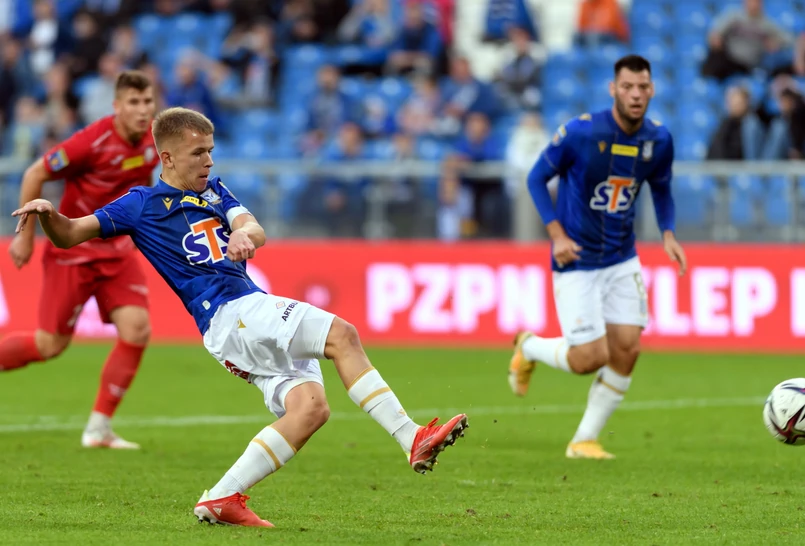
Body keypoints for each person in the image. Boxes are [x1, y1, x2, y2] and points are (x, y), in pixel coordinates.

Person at [12, 107, 469, 528]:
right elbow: (70, 234)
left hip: (241, 316)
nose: (208, 160)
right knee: (342, 335)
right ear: (167, 158)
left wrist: (244, 235)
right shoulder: (141, 204)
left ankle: (221, 497)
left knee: (310, 408)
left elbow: (253, 226)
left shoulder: (215, 190)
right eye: (198, 153)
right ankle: (411, 437)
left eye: (210, 150)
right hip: (229, 313)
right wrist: (48, 214)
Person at [508, 55, 687, 460]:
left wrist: (668, 233)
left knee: (627, 349)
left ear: (652, 90)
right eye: (628, 87)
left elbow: (661, 186)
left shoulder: (659, 140)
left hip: (622, 258)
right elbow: (536, 178)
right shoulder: (582, 132)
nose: (636, 94)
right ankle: (529, 347)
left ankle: (583, 440)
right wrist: (556, 234)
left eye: (643, 87)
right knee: (589, 358)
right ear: (613, 89)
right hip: (576, 258)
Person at [2, 70, 158, 450]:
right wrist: (25, 236)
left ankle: (99, 429)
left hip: (117, 252)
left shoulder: (154, 141)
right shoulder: (90, 142)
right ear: (116, 106)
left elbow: (145, 187)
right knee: (50, 345)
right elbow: (35, 173)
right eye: (134, 102)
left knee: (137, 329)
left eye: (148, 101)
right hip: (73, 252)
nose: (143, 110)